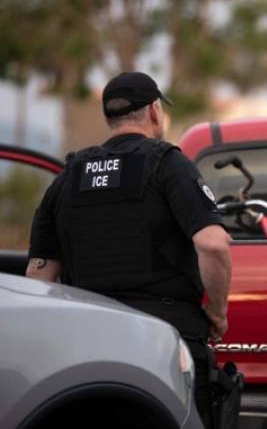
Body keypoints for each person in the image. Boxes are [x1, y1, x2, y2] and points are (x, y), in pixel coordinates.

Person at [25, 71, 231, 427]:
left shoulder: (69, 176)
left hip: (88, 340)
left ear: (110, 117)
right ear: (154, 110)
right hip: (165, 337)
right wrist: (217, 313)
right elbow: (212, 244)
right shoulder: (167, 164)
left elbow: (39, 274)